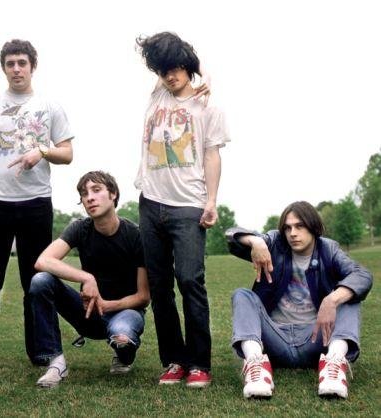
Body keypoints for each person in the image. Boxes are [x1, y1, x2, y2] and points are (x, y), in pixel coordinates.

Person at [0, 39, 74, 376]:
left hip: (36, 204)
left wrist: (42, 150)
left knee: (35, 281)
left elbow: (67, 153)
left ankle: (40, 352)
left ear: (32, 66)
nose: (16, 69)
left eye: (22, 63)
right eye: (10, 63)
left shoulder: (50, 106)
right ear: (3, 68)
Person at [135, 32, 230, 388]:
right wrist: (200, 71)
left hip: (188, 205)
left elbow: (212, 155)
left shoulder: (208, 107)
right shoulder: (158, 93)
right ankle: (174, 360)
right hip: (150, 202)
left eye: (175, 68)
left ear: (187, 65)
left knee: (190, 280)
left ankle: (200, 363)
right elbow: (158, 50)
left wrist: (211, 200)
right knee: (159, 286)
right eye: (163, 70)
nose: (169, 76)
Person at [226, 201, 373, 398]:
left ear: (313, 227)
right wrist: (257, 242)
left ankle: (334, 364)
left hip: (316, 339)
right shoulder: (275, 244)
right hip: (274, 339)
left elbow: (362, 275)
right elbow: (232, 236)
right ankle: (256, 365)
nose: (292, 233)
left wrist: (332, 299)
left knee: (349, 294)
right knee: (242, 295)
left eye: (299, 226)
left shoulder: (328, 249)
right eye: (288, 228)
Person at [29, 171, 150, 388]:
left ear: (113, 194)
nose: (90, 198)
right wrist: (87, 278)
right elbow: (43, 261)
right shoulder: (79, 228)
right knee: (41, 281)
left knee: (122, 337)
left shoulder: (136, 235)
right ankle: (56, 363)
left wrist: (107, 305)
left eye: (96, 190)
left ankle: (124, 356)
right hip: (88, 313)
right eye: (84, 194)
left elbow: (143, 297)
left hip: (126, 312)